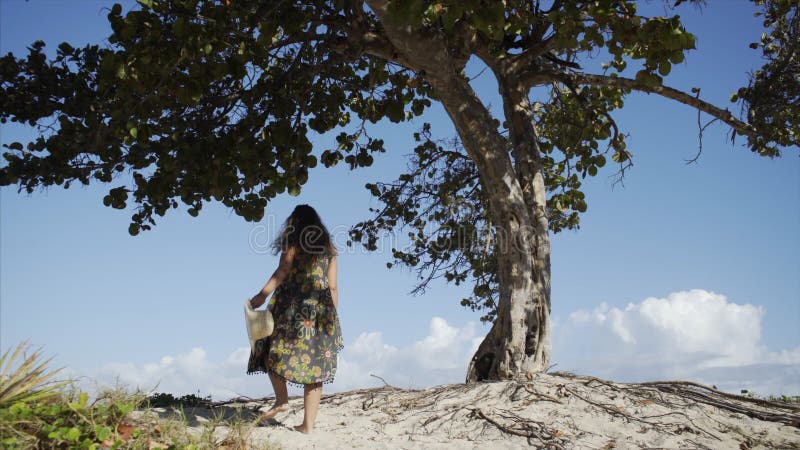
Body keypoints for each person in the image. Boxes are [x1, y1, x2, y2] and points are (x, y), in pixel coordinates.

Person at [247, 204, 343, 433]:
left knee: (270, 348)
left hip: (291, 309)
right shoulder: (329, 251)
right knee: (316, 368)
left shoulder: (292, 244)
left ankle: (282, 400)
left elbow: (282, 272)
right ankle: (307, 426)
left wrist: (260, 296)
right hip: (321, 314)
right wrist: (331, 318)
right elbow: (333, 287)